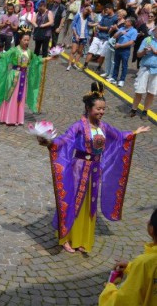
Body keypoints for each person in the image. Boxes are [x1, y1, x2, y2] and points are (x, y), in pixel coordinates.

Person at [39, 82, 150, 253]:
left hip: (95, 171)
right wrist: (49, 142)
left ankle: (83, 238)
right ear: (88, 108)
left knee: (89, 204)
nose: (101, 112)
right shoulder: (78, 126)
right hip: (78, 170)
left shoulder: (103, 127)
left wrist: (134, 133)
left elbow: (119, 136)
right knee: (73, 201)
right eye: (98, 109)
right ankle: (66, 238)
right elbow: (63, 141)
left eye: (103, 109)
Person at [0, 30, 50, 126]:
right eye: (24, 40)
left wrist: (48, 58)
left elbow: (36, 60)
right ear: (20, 40)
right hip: (14, 75)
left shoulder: (29, 52)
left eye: (28, 40)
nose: (26, 42)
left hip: (23, 77)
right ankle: (7, 118)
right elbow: (5, 56)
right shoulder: (14, 50)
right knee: (11, 96)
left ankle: (17, 118)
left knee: (20, 98)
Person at [98, 209, 157, 305]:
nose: (147, 222)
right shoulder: (144, 264)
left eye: (150, 221)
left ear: (152, 230)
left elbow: (124, 301)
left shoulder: (143, 263)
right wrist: (132, 267)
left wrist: (109, 289)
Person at [129, 27, 157, 119]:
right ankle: (134, 109)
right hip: (144, 68)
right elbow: (138, 54)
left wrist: (154, 50)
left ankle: (145, 111)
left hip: (156, 71)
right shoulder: (147, 39)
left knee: (151, 92)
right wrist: (144, 51)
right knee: (139, 90)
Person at [84, 4, 118, 73]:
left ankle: (99, 67)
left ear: (111, 9)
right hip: (98, 36)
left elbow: (110, 28)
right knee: (91, 51)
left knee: (102, 54)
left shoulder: (115, 18)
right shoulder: (104, 17)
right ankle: (85, 64)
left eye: (106, 10)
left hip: (106, 38)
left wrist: (102, 27)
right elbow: (99, 25)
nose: (105, 11)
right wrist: (103, 27)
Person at [111, 17, 138, 87]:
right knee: (116, 64)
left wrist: (120, 45)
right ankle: (114, 78)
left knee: (124, 65)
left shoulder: (134, 31)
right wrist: (120, 32)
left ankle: (122, 80)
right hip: (117, 48)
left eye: (126, 21)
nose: (124, 22)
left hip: (125, 50)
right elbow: (114, 36)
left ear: (130, 23)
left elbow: (131, 42)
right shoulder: (122, 28)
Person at [67, 6, 95, 71]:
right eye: (86, 9)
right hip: (77, 35)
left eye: (88, 10)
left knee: (80, 51)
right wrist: (76, 35)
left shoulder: (88, 17)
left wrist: (91, 11)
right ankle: (69, 65)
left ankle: (75, 64)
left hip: (84, 36)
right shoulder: (78, 15)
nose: (86, 11)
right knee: (73, 51)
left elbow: (93, 20)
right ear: (83, 9)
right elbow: (73, 26)